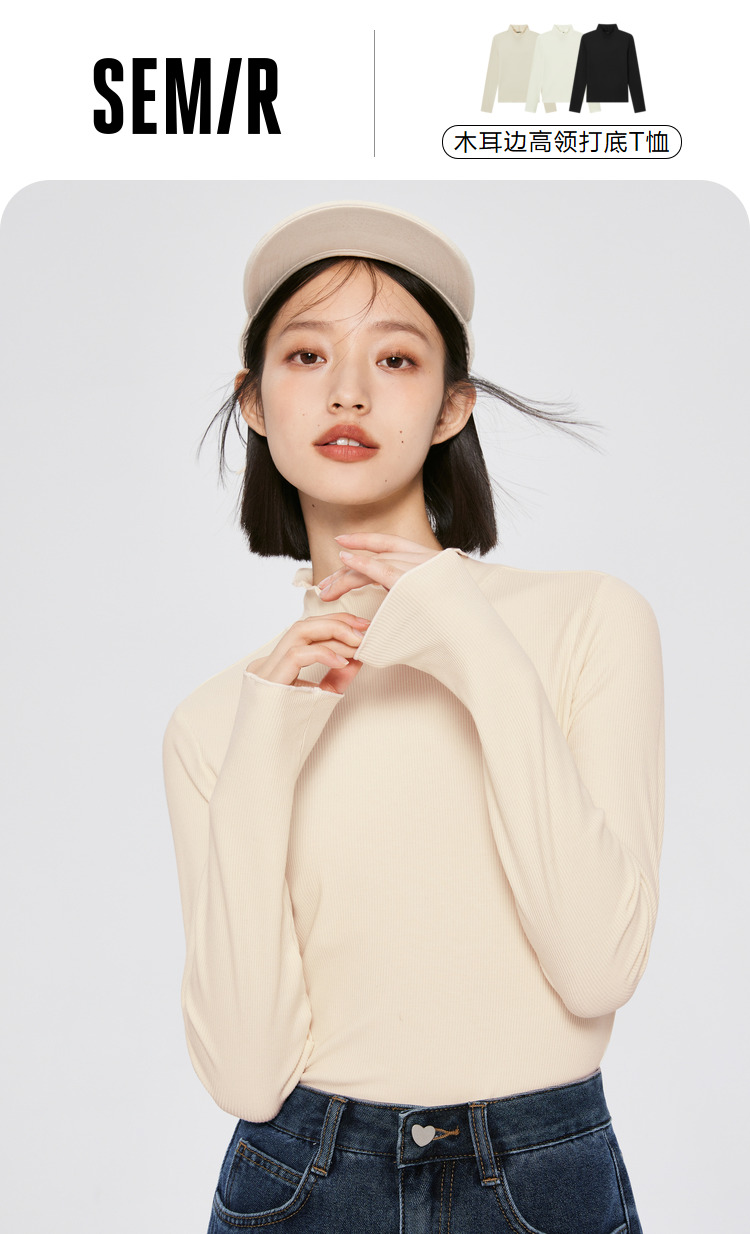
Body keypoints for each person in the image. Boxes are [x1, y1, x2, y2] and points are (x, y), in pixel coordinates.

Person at [161, 200, 664, 1233]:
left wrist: (468, 637)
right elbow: (248, 1075)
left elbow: (599, 967)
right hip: (302, 1180)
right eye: (306, 355)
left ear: (450, 408)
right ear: (254, 402)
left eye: (395, 359)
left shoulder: (587, 621)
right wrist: (264, 746)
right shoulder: (220, 721)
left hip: (537, 1179)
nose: (347, 389)